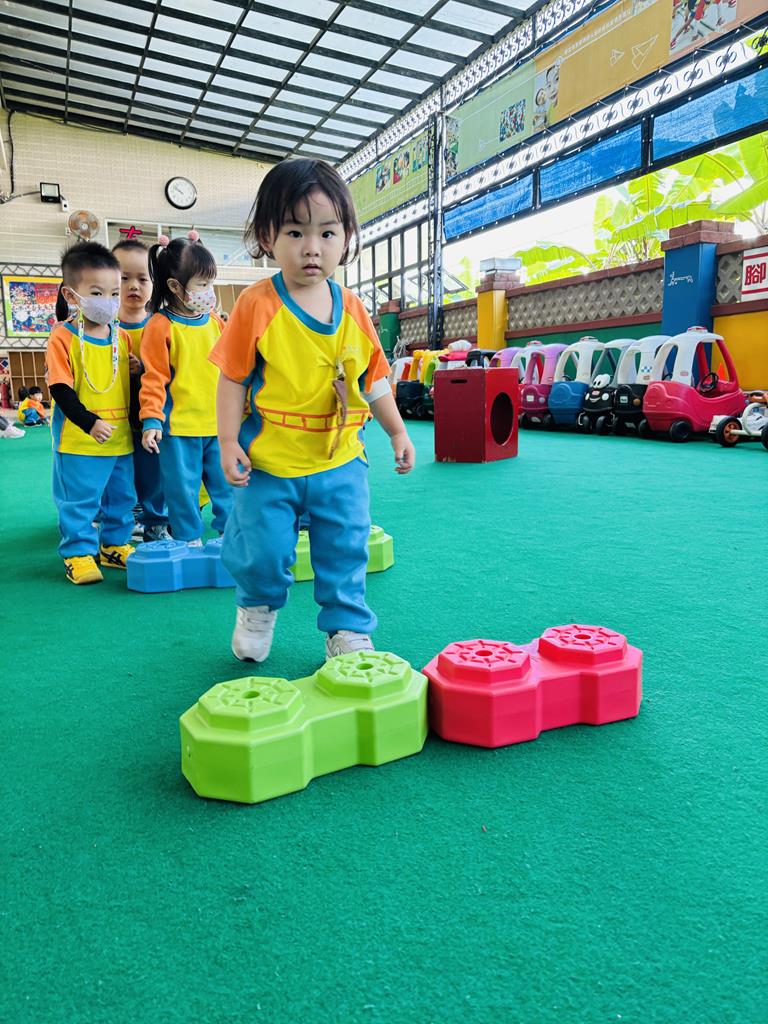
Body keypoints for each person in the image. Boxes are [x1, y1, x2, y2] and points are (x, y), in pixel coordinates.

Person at [210, 158, 415, 664]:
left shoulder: (353, 308)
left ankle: (346, 627)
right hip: (269, 461)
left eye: (327, 233)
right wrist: (228, 440)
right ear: (267, 236)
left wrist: (397, 432)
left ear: (346, 237)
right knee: (262, 549)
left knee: (345, 545)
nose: (311, 248)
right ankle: (257, 605)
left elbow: (375, 380)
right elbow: (233, 377)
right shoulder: (256, 304)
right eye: (295, 232)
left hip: (339, 458)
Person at [46, 241, 136, 584]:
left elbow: (124, 383)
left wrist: (137, 369)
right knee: (80, 500)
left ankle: (114, 545)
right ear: (72, 295)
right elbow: (60, 389)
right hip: (80, 440)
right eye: (97, 293)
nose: (108, 301)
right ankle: (78, 552)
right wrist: (89, 422)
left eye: (114, 292)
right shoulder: (63, 337)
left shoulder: (120, 337)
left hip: (119, 439)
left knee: (121, 497)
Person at [139, 231, 232, 546]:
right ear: (175, 287)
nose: (210, 292)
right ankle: (189, 540)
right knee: (182, 490)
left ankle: (232, 536)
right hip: (179, 430)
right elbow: (154, 378)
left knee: (227, 485)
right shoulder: (160, 325)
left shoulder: (215, 322)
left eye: (211, 283)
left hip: (219, 426)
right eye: (202, 285)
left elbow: (232, 370)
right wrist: (152, 420)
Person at [113, 238, 170, 542]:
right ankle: (114, 521)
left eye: (142, 279)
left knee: (153, 473)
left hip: (150, 418)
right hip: (112, 420)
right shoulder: (103, 327)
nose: (133, 286)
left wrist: (143, 368)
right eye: (124, 278)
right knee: (117, 474)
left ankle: (156, 521)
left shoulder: (160, 325)